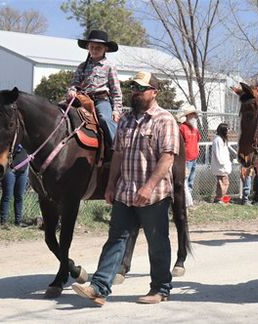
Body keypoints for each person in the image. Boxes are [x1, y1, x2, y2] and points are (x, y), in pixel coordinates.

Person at [72, 71, 179, 306]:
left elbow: (168, 158)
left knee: (157, 241)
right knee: (115, 239)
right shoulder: (126, 120)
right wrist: (110, 185)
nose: (136, 92)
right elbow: (118, 154)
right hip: (124, 191)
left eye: (141, 88)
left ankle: (160, 288)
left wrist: (149, 187)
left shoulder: (165, 120)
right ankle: (99, 288)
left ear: (154, 92)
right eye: (133, 88)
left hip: (154, 195)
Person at [67, 29, 123, 148]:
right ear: (88, 47)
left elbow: (116, 90)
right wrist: (72, 90)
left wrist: (116, 110)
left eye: (98, 47)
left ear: (105, 49)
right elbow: (75, 83)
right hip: (82, 99)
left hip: (101, 100)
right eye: (92, 47)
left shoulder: (109, 66)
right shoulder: (82, 66)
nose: (94, 50)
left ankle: (117, 149)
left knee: (104, 119)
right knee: (63, 112)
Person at [0, 144, 29, 227]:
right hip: (10, 169)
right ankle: (3, 221)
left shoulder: (24, 139)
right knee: (7, 196)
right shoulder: (11, 139)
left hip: (23, 170)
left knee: (19, 196)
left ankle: (18, 221)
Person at [178, 104, 201, 192]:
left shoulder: (194, 128)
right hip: (185, 159)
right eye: (193, 114)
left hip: (194, 158)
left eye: (195, 115)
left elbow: (197, 141)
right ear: (188, 116)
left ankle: (189, 199)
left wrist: (197, 151)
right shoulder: (182, 128)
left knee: (191, 180)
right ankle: (184, 200)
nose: (195, 117)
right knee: (185, 180)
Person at [211, 123, 232, 204]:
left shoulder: (222, 139)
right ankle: (219, 199)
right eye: (227, 130)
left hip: (223, 166)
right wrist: (223, 163)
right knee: (223, 183)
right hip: (220, 166)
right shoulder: (218, 140)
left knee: (223, 183)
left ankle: (220, 199)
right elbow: (218, 154)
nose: (228, 131)